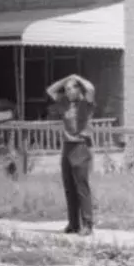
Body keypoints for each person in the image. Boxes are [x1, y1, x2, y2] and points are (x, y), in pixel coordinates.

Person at [46, 74, 97, 236]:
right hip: (67, 147)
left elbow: (90, 88)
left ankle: (87, 224)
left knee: (81, 187)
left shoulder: (86, 103)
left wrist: (78, 78)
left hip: (81, 146)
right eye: (66, 89)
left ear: (78, 89)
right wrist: (66, 79)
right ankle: (73, 224)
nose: (67, 91)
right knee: (69, 186)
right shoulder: (64, 103)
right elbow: (50, 90)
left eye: (71, 88)